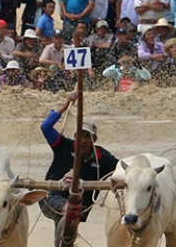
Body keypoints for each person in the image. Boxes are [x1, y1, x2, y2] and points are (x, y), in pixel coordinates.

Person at [39, 94, 118, 228]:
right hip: (51, 198)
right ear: (75, 137)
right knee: (68, 212)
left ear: (95, 139)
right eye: (80, 136)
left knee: (66, 235)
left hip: (81, 207)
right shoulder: (63, 146)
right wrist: (65, 106)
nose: (83, 141)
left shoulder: (103, 158)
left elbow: (122, 170)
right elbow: (45, 127)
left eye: (88, 137)